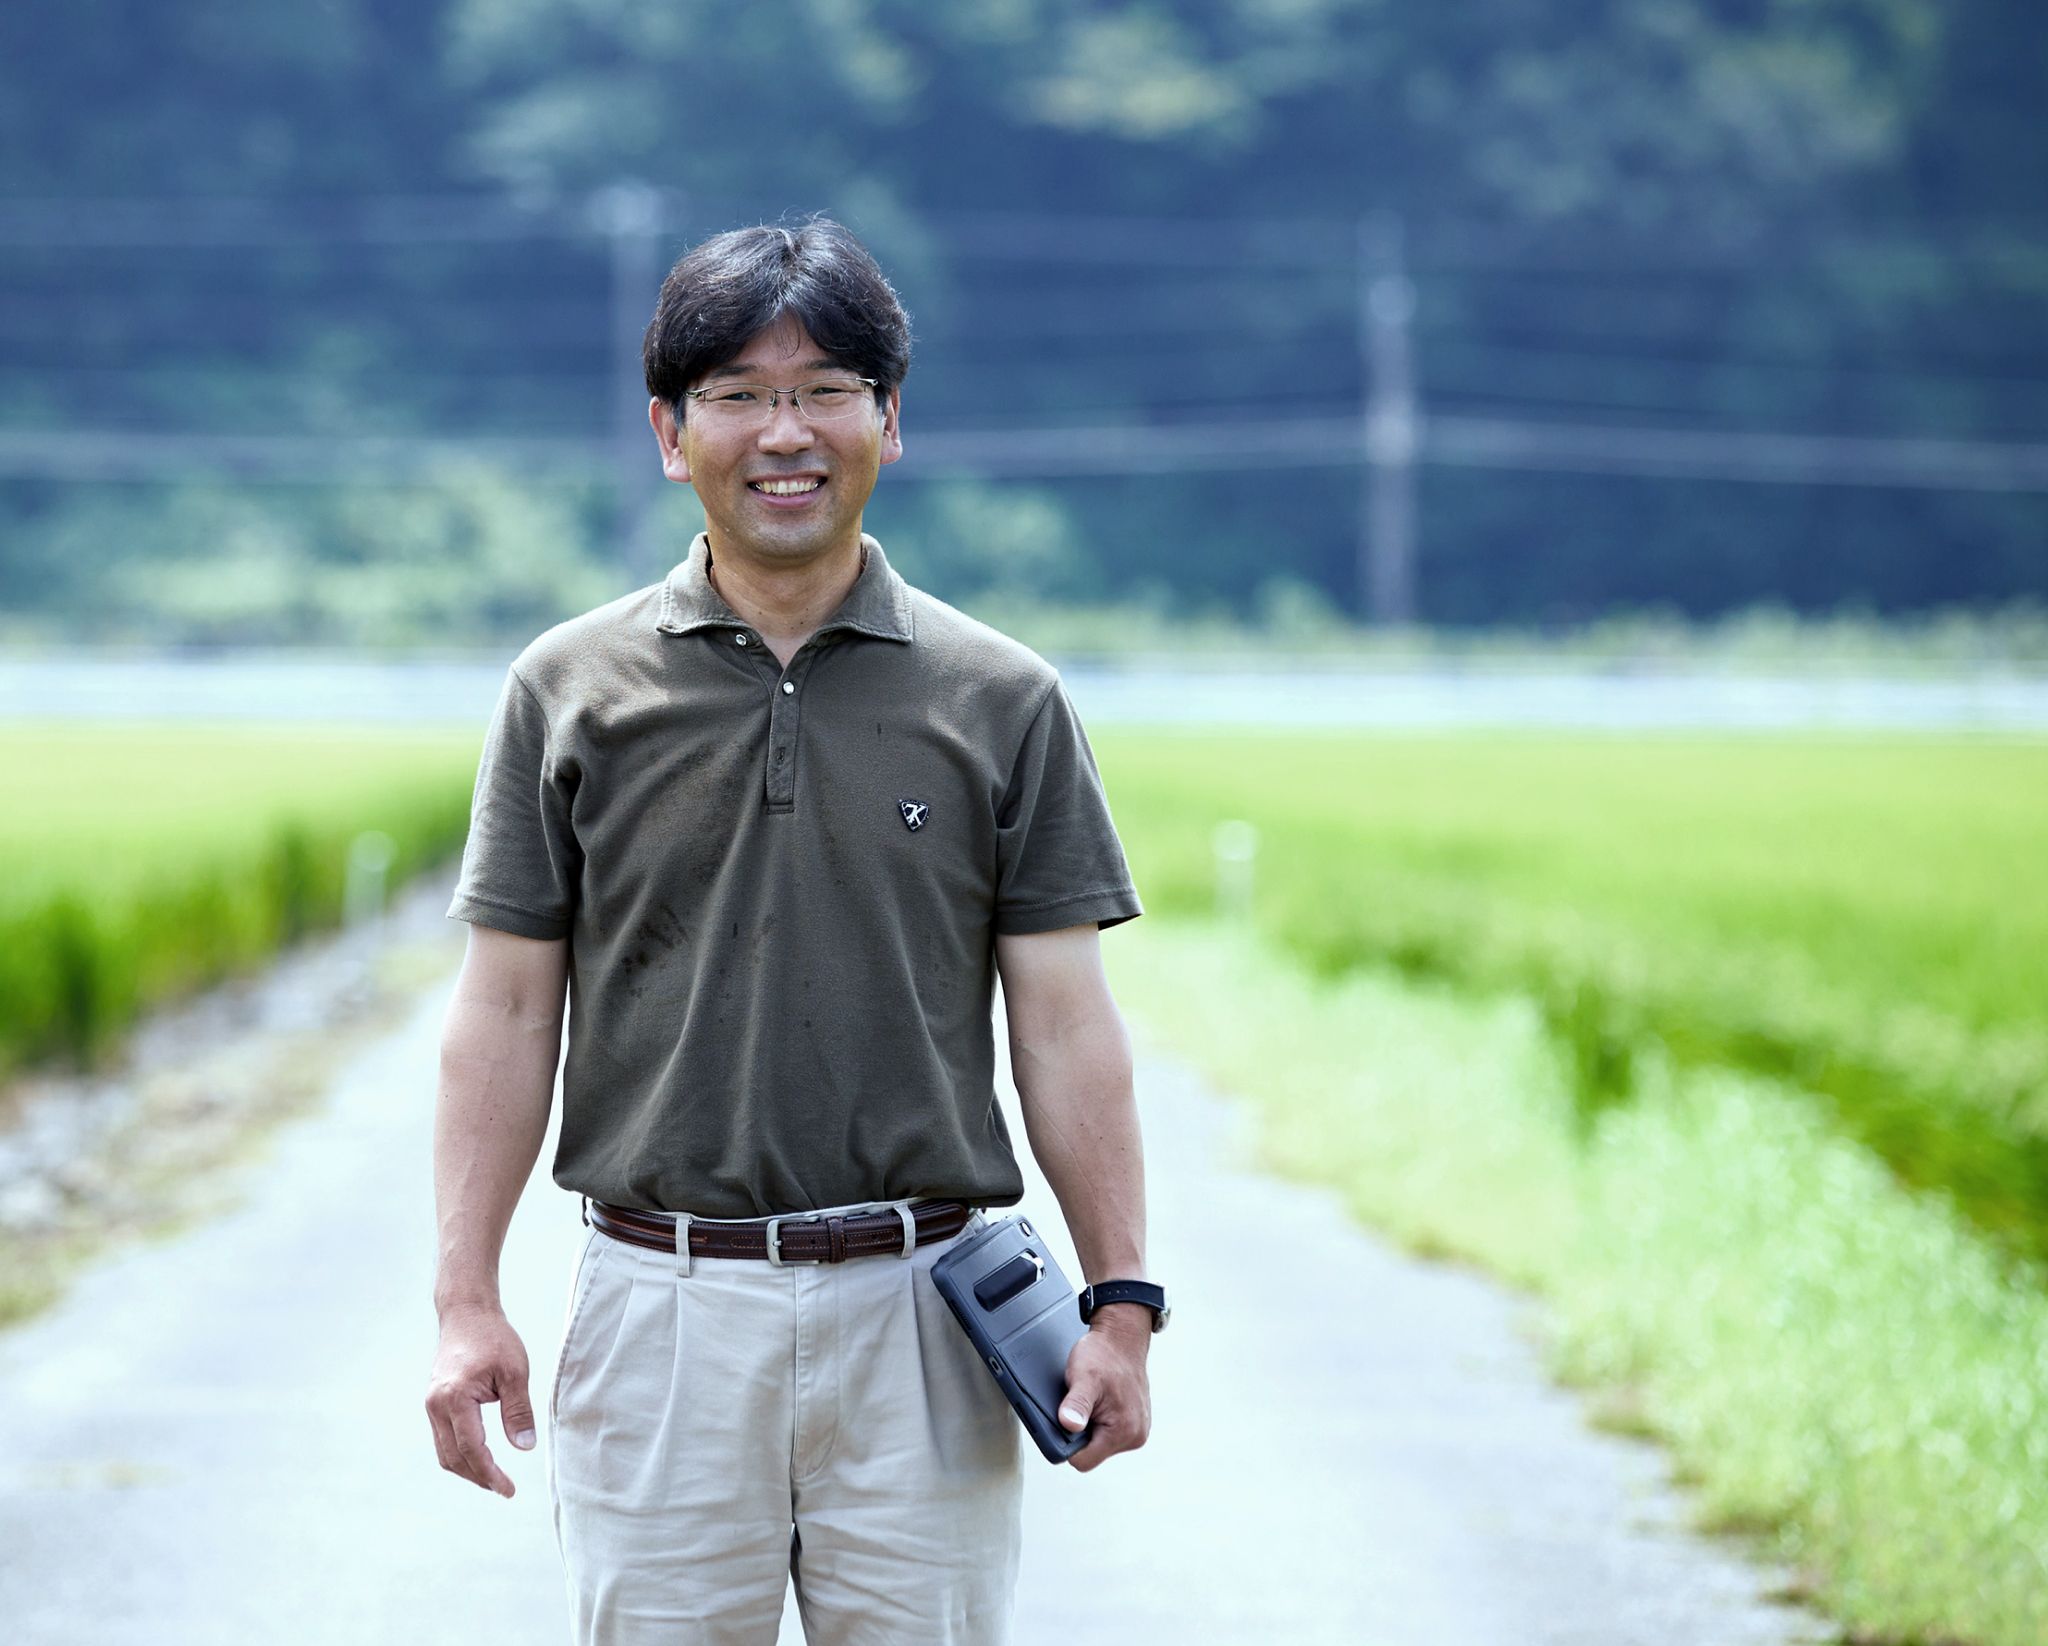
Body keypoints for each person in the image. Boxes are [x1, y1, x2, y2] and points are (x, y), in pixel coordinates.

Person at [424, 217, 1166, 1646]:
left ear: (891, 419)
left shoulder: (1000, 697)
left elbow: (1069, 1024)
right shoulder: (566, 691)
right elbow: (506, 1013)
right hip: (660, 1305)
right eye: (739, 394)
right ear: (668, 430)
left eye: (827, 388)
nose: (787, 430)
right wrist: (466, 1299)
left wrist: (1122, 1300)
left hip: (924, 1316)